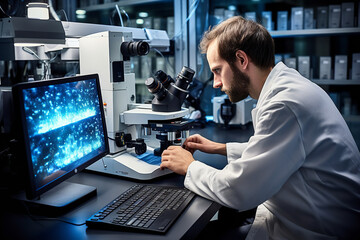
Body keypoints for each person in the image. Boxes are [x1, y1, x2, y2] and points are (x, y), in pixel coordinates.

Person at [160, 16, 360, 239]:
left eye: (217, 70)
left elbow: (238, 191)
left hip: (315, 231)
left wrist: (190, 166)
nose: (215, 83)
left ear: (241, 59)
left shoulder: (284, 105)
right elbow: (280, 151)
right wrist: (222, 148)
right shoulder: (287, 85)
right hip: (308, 215)